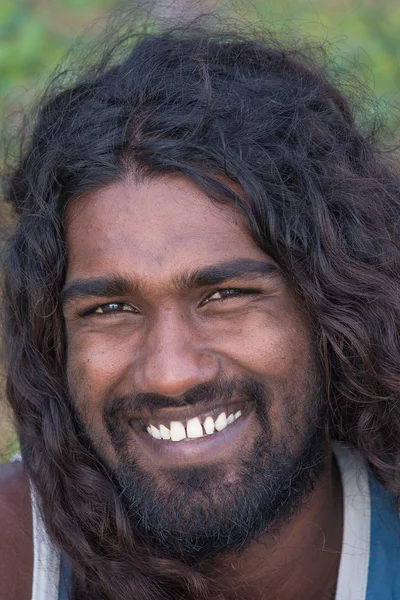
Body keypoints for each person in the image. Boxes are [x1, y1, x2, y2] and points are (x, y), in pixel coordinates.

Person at [1, 14, 400, 600]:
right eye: (111, 308)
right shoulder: (16, 556)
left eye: (224, 296)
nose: (171, 372)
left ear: (332, 313)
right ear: (54, 340)